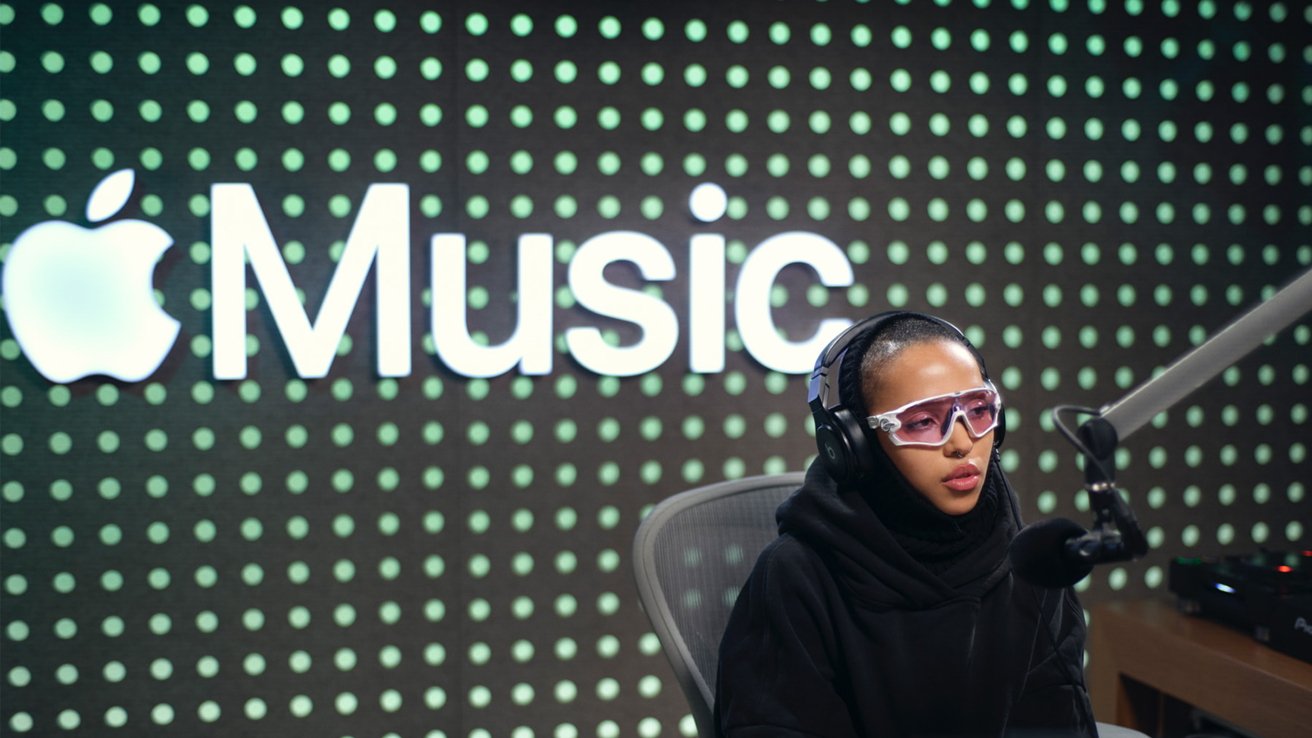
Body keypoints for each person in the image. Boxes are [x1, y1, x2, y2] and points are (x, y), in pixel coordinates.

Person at [714, 311, 1096, 737]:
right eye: (922, 422)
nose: (962, 441)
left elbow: (1057, 722)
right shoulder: (797, 574)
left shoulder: (1032, 562)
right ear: (852, 442)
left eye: (977, 410)